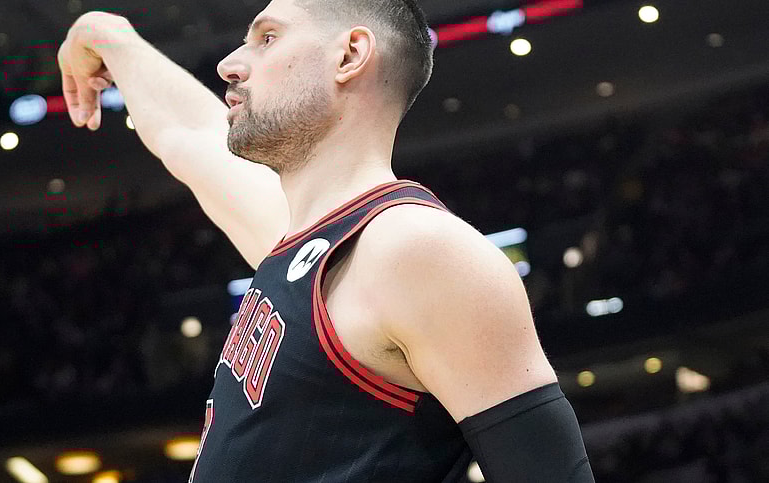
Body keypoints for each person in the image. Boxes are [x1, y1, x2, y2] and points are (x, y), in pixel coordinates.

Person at [57, 1, 595, 481]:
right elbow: (190, 134)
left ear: (350, 56)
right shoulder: (304, 240)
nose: (230, 64)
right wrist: (106, 34)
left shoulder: (414, 248)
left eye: (267, 38)